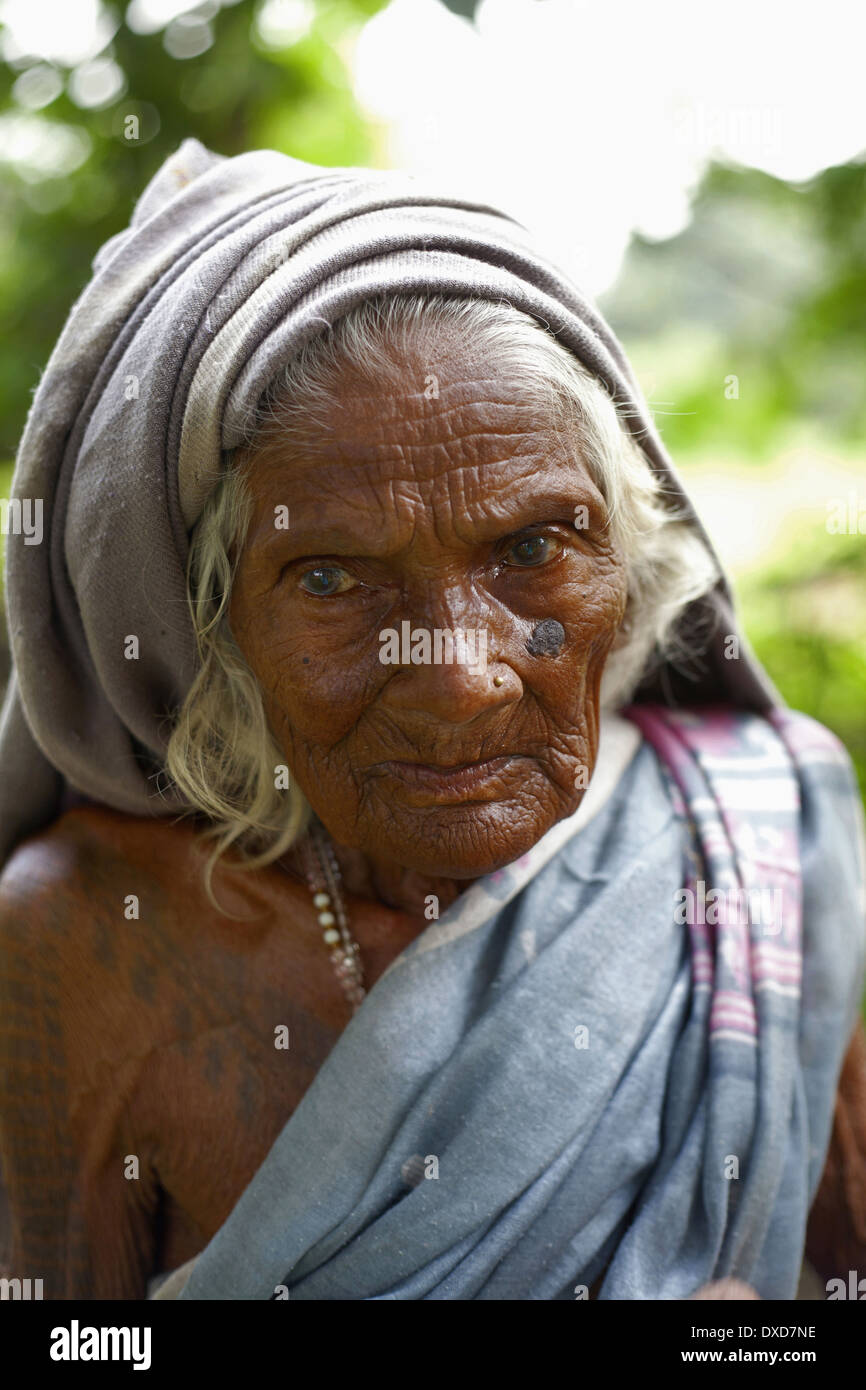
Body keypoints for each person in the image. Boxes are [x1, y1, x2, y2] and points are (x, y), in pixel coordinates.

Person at [0, 139, 863, 1301]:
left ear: (628, 557)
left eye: (531, 547)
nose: (460, 678)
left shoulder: (754, 841)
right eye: (330, 579)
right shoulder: (84, 944)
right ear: (208, 623)